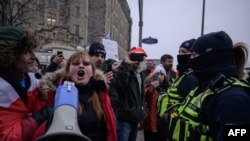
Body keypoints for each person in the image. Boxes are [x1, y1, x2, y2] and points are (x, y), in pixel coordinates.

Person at [165, 31, 250, 141]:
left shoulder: (233, 99)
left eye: (194, 55)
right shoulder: (203, 88)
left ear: (211, 57)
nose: (190, 60)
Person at [36, 51, 117, 141]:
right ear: (68, 72)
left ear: (92, 73)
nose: (81, 66)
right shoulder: (55, 93)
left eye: (86, 64)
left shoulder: (101, 92)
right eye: (75, 63)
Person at [0, 26, 52, 141]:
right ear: (9, 55)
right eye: (26, 51)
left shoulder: (32, 81)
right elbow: (7, 137)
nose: (34, 57)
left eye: (32, 50)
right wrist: (38, 118)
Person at [109, 47, 148, 141]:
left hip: (135, 118)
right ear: (130, 57)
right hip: (124, 118)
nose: (138, 61)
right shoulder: (123, 71)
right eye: (136, 57)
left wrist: (141, 113)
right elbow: (119, 85)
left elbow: (141, 96)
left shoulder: (141, 75)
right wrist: (126, 64)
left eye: (141, 58)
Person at [141, 64, 169, 141]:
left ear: (165, 76)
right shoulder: (149, 87)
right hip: (150, 123)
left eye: (162, 74)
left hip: (163, 123)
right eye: (157, 74)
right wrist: (152, 88)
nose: (159, 76)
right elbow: (145, 98)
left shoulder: (169, 89)